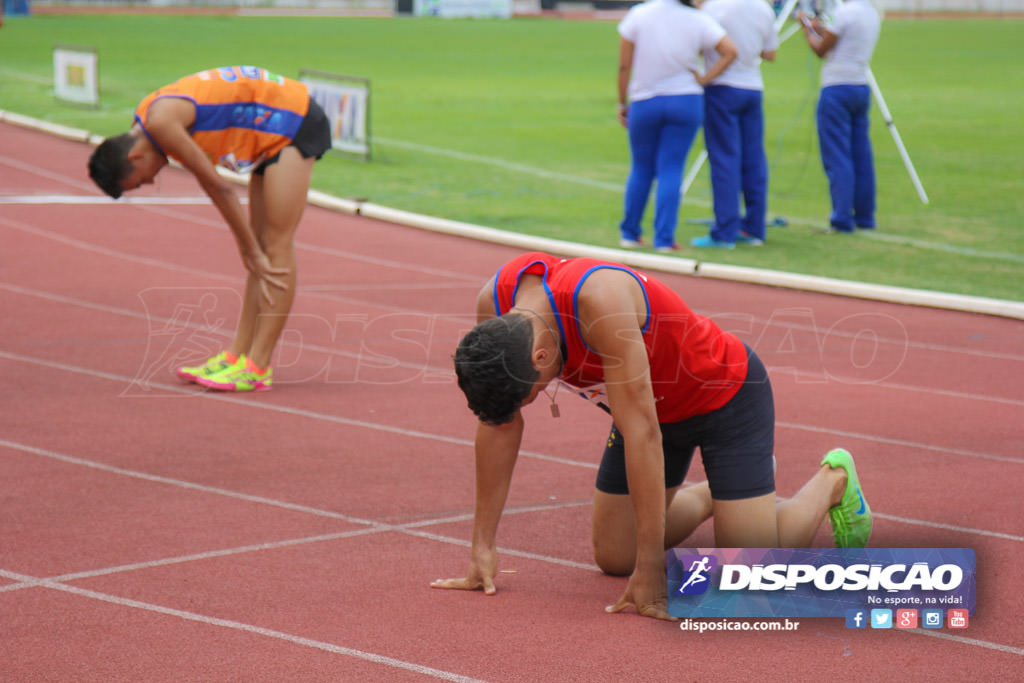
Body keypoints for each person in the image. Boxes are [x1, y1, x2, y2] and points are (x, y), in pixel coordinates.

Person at [432, 251, 872, 620]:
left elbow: (642, 434)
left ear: (541, 355)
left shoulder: (598, 301)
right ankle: (714, 497)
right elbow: (499, 424)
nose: (531, 403)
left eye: (529, 397)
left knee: (750, 577)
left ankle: (832, 482)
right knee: (615, 559)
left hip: (725, 396)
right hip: (645, 408)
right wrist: (481, 546)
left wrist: (651, 570)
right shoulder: (496, 307)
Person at [88, 65, 332, 391]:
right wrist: (249, 249)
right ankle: (237, 356)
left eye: (141, 180)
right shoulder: (147, 121)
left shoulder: (161, 124)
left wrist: (248, 250)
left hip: (294, 123)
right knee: (260, 249)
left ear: (135, 157)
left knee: (273, 245)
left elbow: (220, 188)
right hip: (267, 133)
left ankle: (258, 366)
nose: (150, 182)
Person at [616, 0, 738, 253]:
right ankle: (663, 239)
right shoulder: (696, 18)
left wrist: (621, 102)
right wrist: (706, 78)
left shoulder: (639, 14)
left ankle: (630, 232)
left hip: (645, 99)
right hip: (685, 99)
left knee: (641, 168)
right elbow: (730, 50)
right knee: (671, 169)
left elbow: (624, 65)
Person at [691, 0, 779, 249]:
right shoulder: (764, 8)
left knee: (724, 160)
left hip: (723, 87)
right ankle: (753, 228)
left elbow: (697, 43)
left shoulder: (714, 8)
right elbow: (770, 53)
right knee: (753, 160)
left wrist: (705, 77)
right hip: (752, 87)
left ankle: (725, 232)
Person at [798, 0, 881, 233]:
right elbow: (840, 39)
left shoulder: (845, 12)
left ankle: (841, 217)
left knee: (837, 156)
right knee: (861, 154)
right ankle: (864, 216)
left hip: (836, 87)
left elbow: (821, 49)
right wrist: (819, 29)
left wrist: (806, 28)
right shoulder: (871, 13)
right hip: (859, 86)